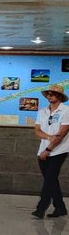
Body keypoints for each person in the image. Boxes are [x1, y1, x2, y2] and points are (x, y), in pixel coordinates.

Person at [33, 83, 69, 219]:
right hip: (43, 149)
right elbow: (37, 130)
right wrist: (48, 137)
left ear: (59, 96)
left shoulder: (66, 110)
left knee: (49, 180)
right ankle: (60, 207)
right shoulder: (42, 111)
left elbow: (62, 134)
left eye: (53, 94)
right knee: (51, 180)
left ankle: (41, 208)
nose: (50, 95)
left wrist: (48, 149)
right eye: (48, 93)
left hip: (58, 151)